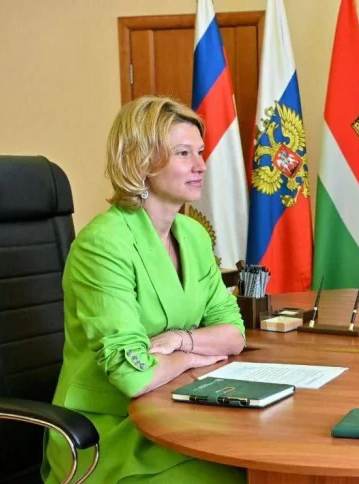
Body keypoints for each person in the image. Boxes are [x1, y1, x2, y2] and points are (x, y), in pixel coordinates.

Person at [41, 96, 248, 483]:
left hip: (176, 412)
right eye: (183, 153)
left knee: (259, 463)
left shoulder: (193, 235)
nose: (201, 165)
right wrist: (193, 355)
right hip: (107, 433)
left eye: (200, 151)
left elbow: (234, 335)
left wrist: (180, 340)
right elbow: (133, 377)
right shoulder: (103, 244)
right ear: (142, 162)